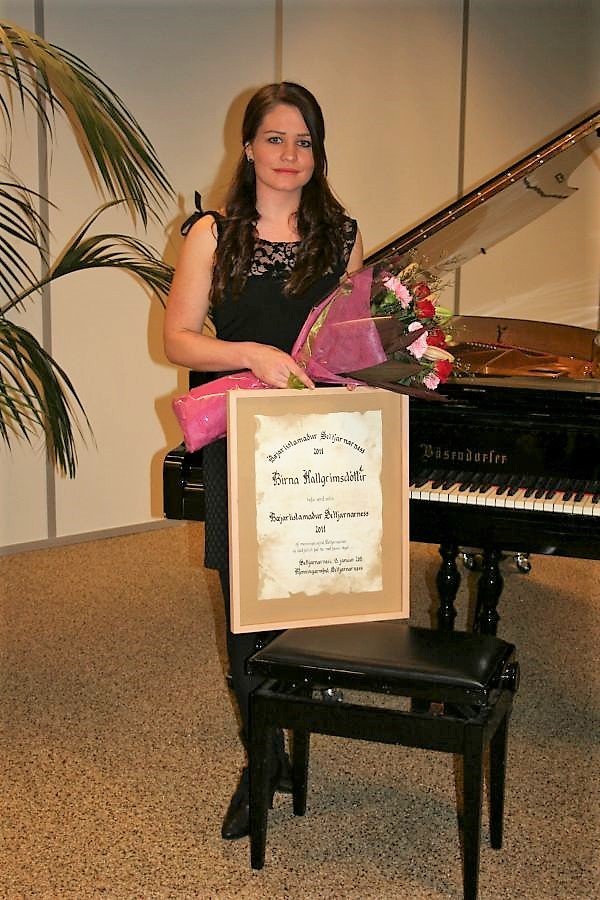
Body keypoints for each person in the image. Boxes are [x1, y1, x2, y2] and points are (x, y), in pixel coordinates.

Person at [164, 81, 363, 840]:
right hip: (242, 437)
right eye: (275, 138)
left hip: (320, 442)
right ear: (247, 148)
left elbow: (354, 341)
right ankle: (262, 756)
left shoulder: (343, 236)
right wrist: (251, 352)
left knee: (308, 595)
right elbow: (178, 339)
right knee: (248, 605)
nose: (289, 154)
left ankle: (294, 725)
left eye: (304, 141)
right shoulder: (213, 234)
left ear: (318, 153)